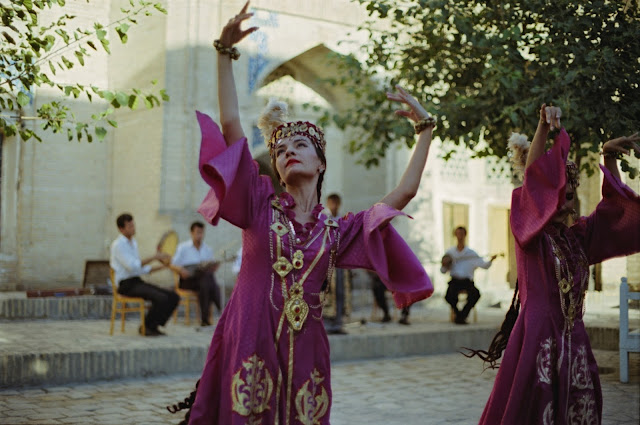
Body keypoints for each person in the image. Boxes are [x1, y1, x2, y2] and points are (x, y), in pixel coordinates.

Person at [168, 3, 434, 423]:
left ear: (321, 163)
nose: (289, 152)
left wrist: (425, 131)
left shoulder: (337, 231)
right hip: (250, 337)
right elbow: (232, 124)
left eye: (300, 146)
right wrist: (224, 52)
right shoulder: (259, 206)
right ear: (274, 168)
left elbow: (404, 192)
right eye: (281, 151)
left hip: (307, 345)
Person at [466, 105, 640, 424]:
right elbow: (533, 187)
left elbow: (613, 212)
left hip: (573, 339)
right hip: (537, 339)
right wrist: (543, 129)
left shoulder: (577, 238)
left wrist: (609, 158)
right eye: (560, 193)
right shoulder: (530, 238)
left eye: (571, 195)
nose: (566, 201)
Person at [110, 213, 179, 336]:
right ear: (121, 229)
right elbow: (132, 266)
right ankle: (146, 327)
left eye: (133, 225)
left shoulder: (134, 243)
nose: (133, 228)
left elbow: (140, 269)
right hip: (125, 285)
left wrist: (163, 266)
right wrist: (154, 257)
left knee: (173, 296)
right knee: (161, 298)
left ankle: (154, 325)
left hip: (136, 281)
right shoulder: (118, 245)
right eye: (129, 226)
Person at [440, 226, 496, 324]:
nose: (460, 237)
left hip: (467, 282)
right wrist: (445, 264)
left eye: (462, 234)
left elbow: (484, 265)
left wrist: (491, 260)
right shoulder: (450, 252)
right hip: (455, 281)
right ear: (455, 235)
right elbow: (443, 271)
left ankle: (462, 315)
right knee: (449, 296)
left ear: (465, 235)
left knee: (476, 295)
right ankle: (459, 315)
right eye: (458, 234)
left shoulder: (471, 253)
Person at [169, 221, 221, 327]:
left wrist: (214, 267)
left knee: (206, 280)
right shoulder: (183, 248)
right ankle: (221, 311)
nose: (200, 235)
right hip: (187, 280)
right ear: (191, 233)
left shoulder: (207, 249)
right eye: (198, 232)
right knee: (209, 282)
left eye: (202, 233)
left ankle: (205, 319)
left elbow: (210, 268)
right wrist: (181, 270)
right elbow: (172, 265)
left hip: (202, 281)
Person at [322, 193, 351, 334]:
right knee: (326, 291)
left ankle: (338, 322)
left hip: (340, 260)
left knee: (340, 292)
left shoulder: (342, 219)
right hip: (326, 261)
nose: (334, 206)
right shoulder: (322, 219)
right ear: (328, 204)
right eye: (331, 203)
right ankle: (326, 322)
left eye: (336, 203)